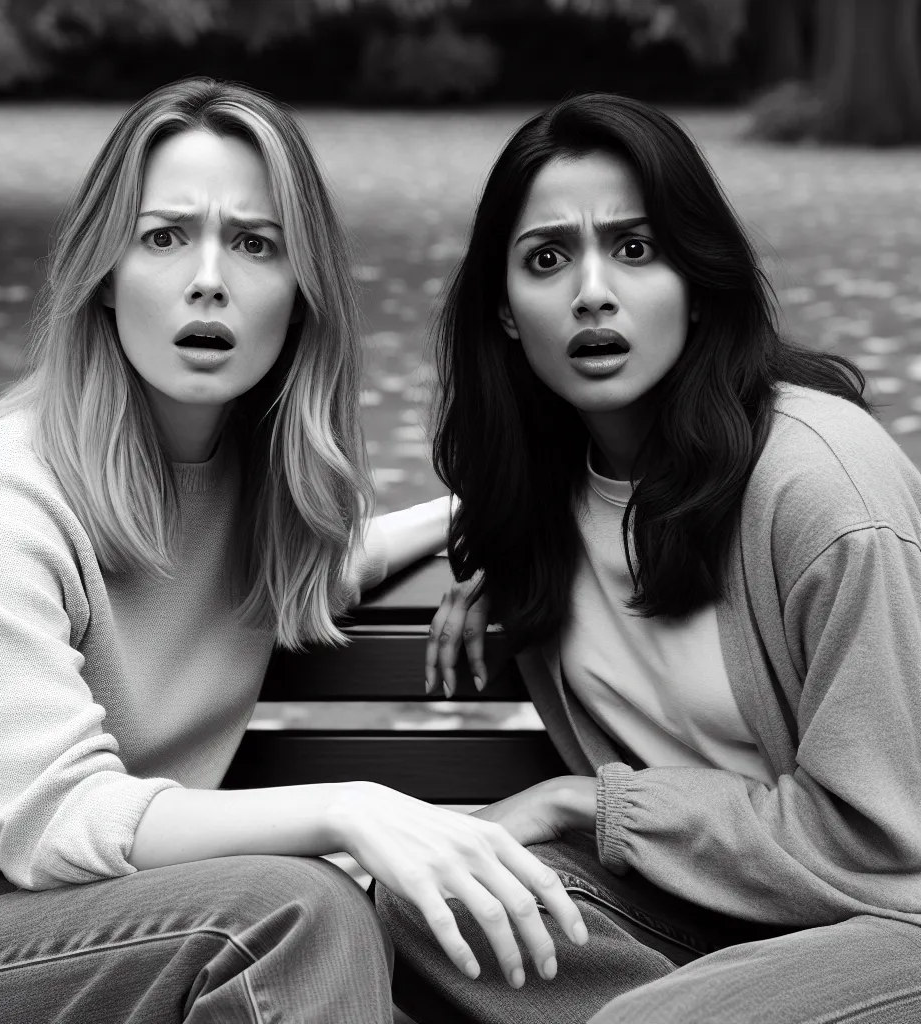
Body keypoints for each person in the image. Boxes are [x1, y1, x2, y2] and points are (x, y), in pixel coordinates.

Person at [0, 77, 587, 1023]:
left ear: (301, 298)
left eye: (255, 244)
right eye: (164, 236)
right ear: (103, 278)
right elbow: (56, 821)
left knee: (327, 914)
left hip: (107, 920)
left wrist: (485, 515)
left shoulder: (252, 485)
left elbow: (312, 573)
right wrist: (347, 807)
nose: (209, 277)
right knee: (294, 911)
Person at [377, 93, 921, 1023]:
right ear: (506, 313)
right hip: (713, 923)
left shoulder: (823, 491)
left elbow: (884, 848)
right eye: (547, 260)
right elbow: (279, 577)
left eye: (636, 249)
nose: (593, 291)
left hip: (888, 921)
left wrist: (584, 803)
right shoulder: (547, 499)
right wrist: (479, 540)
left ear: (699, 283)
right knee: (442, 904)